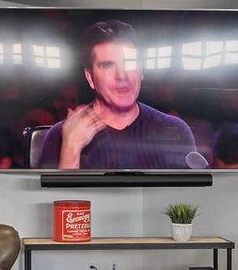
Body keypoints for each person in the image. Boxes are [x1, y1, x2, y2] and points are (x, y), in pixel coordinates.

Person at [34, 20, 201, 170]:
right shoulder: (60, 135)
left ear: (141, 70)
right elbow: (56, 195)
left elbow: (191, 194)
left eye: (130, 63)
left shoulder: (175, 130)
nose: (122, 76)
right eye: (107, 65)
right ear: (90, 77)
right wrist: (71, 148)